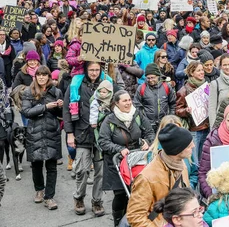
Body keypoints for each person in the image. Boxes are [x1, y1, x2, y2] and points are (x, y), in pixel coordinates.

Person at [98, 89, 154, 226]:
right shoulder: (109, 120)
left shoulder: (138, 114)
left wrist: (147, 142)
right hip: (115, 162)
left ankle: (132, 220)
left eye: (129, 100)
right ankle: (118, 222)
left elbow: (150, 132)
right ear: (117, 103)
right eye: (124, 101)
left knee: (136, 193)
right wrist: (120, 149)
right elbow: (103, 141)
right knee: (120, 194)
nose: (128, 103)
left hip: (136, 160)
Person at [64, 61, 112, 216]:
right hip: (82, 133)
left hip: (101, 136)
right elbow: (66, 109)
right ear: (86, 69)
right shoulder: (76, 84)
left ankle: (97, 201)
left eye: (97, 69)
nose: (94, 73)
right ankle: (79, 197)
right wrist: (70, 133)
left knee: (100, 172)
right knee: (82, 170)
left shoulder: (107, 83)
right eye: (91, 69)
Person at [126, 123, 193, 227]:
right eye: (188, 145)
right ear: (177, 149)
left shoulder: (181, 165)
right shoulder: (146, 177)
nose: (193, 146)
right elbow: (135, 216)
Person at [21, 66, 63, 210]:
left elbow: (61, 114)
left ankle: (49, 197)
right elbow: (26, 111)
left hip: (52, 131)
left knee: (52, 166)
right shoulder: (28, 91)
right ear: (35, 77)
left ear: (49, 77)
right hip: (35, 132)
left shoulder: (56, 91)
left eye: (44, 75)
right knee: (37, 165)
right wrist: (45, 107)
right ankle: (39, 189)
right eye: (39, 75)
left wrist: (59, 106)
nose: (41, 77)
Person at [133, 63, 176, 133]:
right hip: (148, 125)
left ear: (158, 76)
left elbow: (172, 104)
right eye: (148, 78)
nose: (150, 80)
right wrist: (143, 120)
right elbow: (137, 106)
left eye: (152, 77)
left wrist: (170, 118)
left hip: (164, 124)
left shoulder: (166, 87)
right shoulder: (141, 88)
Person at [208, 53, 229, 128]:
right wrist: (213, 128)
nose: (227, 67)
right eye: (224, 65)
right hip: (221, 124)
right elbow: (212, 109)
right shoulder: (215, 84)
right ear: (220, 66)